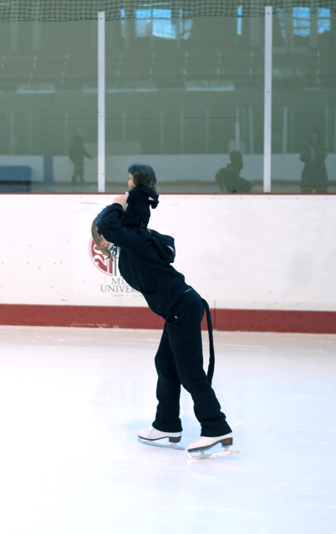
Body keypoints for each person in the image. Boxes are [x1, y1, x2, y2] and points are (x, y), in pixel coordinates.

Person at [92, 164, 235, 458]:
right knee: (165, 364)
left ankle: (216, 427)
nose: (103, 243)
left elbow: (108, 226)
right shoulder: (137, 240)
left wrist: (117, 204)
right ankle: (167, 423)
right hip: (179, 308)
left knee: (190, 373)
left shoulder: (136, 240)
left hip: (182, 307)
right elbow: (107, 229)